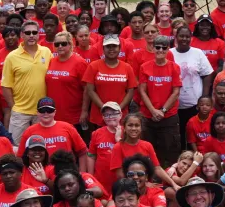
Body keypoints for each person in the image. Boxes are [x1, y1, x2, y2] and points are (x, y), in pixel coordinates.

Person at [1, 20, 52, 145]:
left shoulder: (46, 52)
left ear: (39, 34)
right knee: (16, 147)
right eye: (28, 32)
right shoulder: (12, 57)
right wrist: (14, 107)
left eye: (34, 32)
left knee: (41, 147)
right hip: (20, 111)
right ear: (22, 35)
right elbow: (6, 85)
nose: (31, 35)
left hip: (42, 111)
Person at [138, 35, 182, 166]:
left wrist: (162, 110)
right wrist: (153, 111)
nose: (160, 50)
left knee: (169, 151)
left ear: (168, 49)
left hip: (169, 116)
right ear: (153, 47)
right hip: (148, 115)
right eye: (158, 47)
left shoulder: (174, 67)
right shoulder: (144, 67)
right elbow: (142, 91)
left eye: (164, 47)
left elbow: (176, 92)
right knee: (147, 151)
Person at [170, 25, 213, 148]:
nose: (184, 39)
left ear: (191, 38)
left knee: (192, 134)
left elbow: (207, 74)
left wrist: (204, 96)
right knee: (178, 133)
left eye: (187, 36)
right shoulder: (169, 53)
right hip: (175, 103)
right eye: (181, 36)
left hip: (194, 103)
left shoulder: (197, 53)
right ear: (176, 37)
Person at [83, 35, 137, 127]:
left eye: (114, 46)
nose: (111, 49)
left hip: (120, 116)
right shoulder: (93, 66)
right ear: (103, 49)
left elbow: (130, 91)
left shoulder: (127, 68)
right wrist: (105, 109)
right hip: (99, 115)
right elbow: (90, 90)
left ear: (119, 48)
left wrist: (117, 110)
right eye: (108, 46)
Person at [45, 31, 89, 130]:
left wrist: (84, 111)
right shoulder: (52, 61)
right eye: (57, 44)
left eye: (64, 44)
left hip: (73, 115)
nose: (60, 46)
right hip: (53, 114)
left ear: (70, 44)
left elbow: (87, 89)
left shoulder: (80, 62)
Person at [88, 102, 121, 199]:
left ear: (121, 114)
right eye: (106, 115)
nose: (110, 117)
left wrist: (118, 139)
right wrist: (90, 177)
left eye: (114, 113)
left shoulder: (127, 132)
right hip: (101, 179)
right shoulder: (97, 133)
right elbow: (91, 156)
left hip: (120, 180)